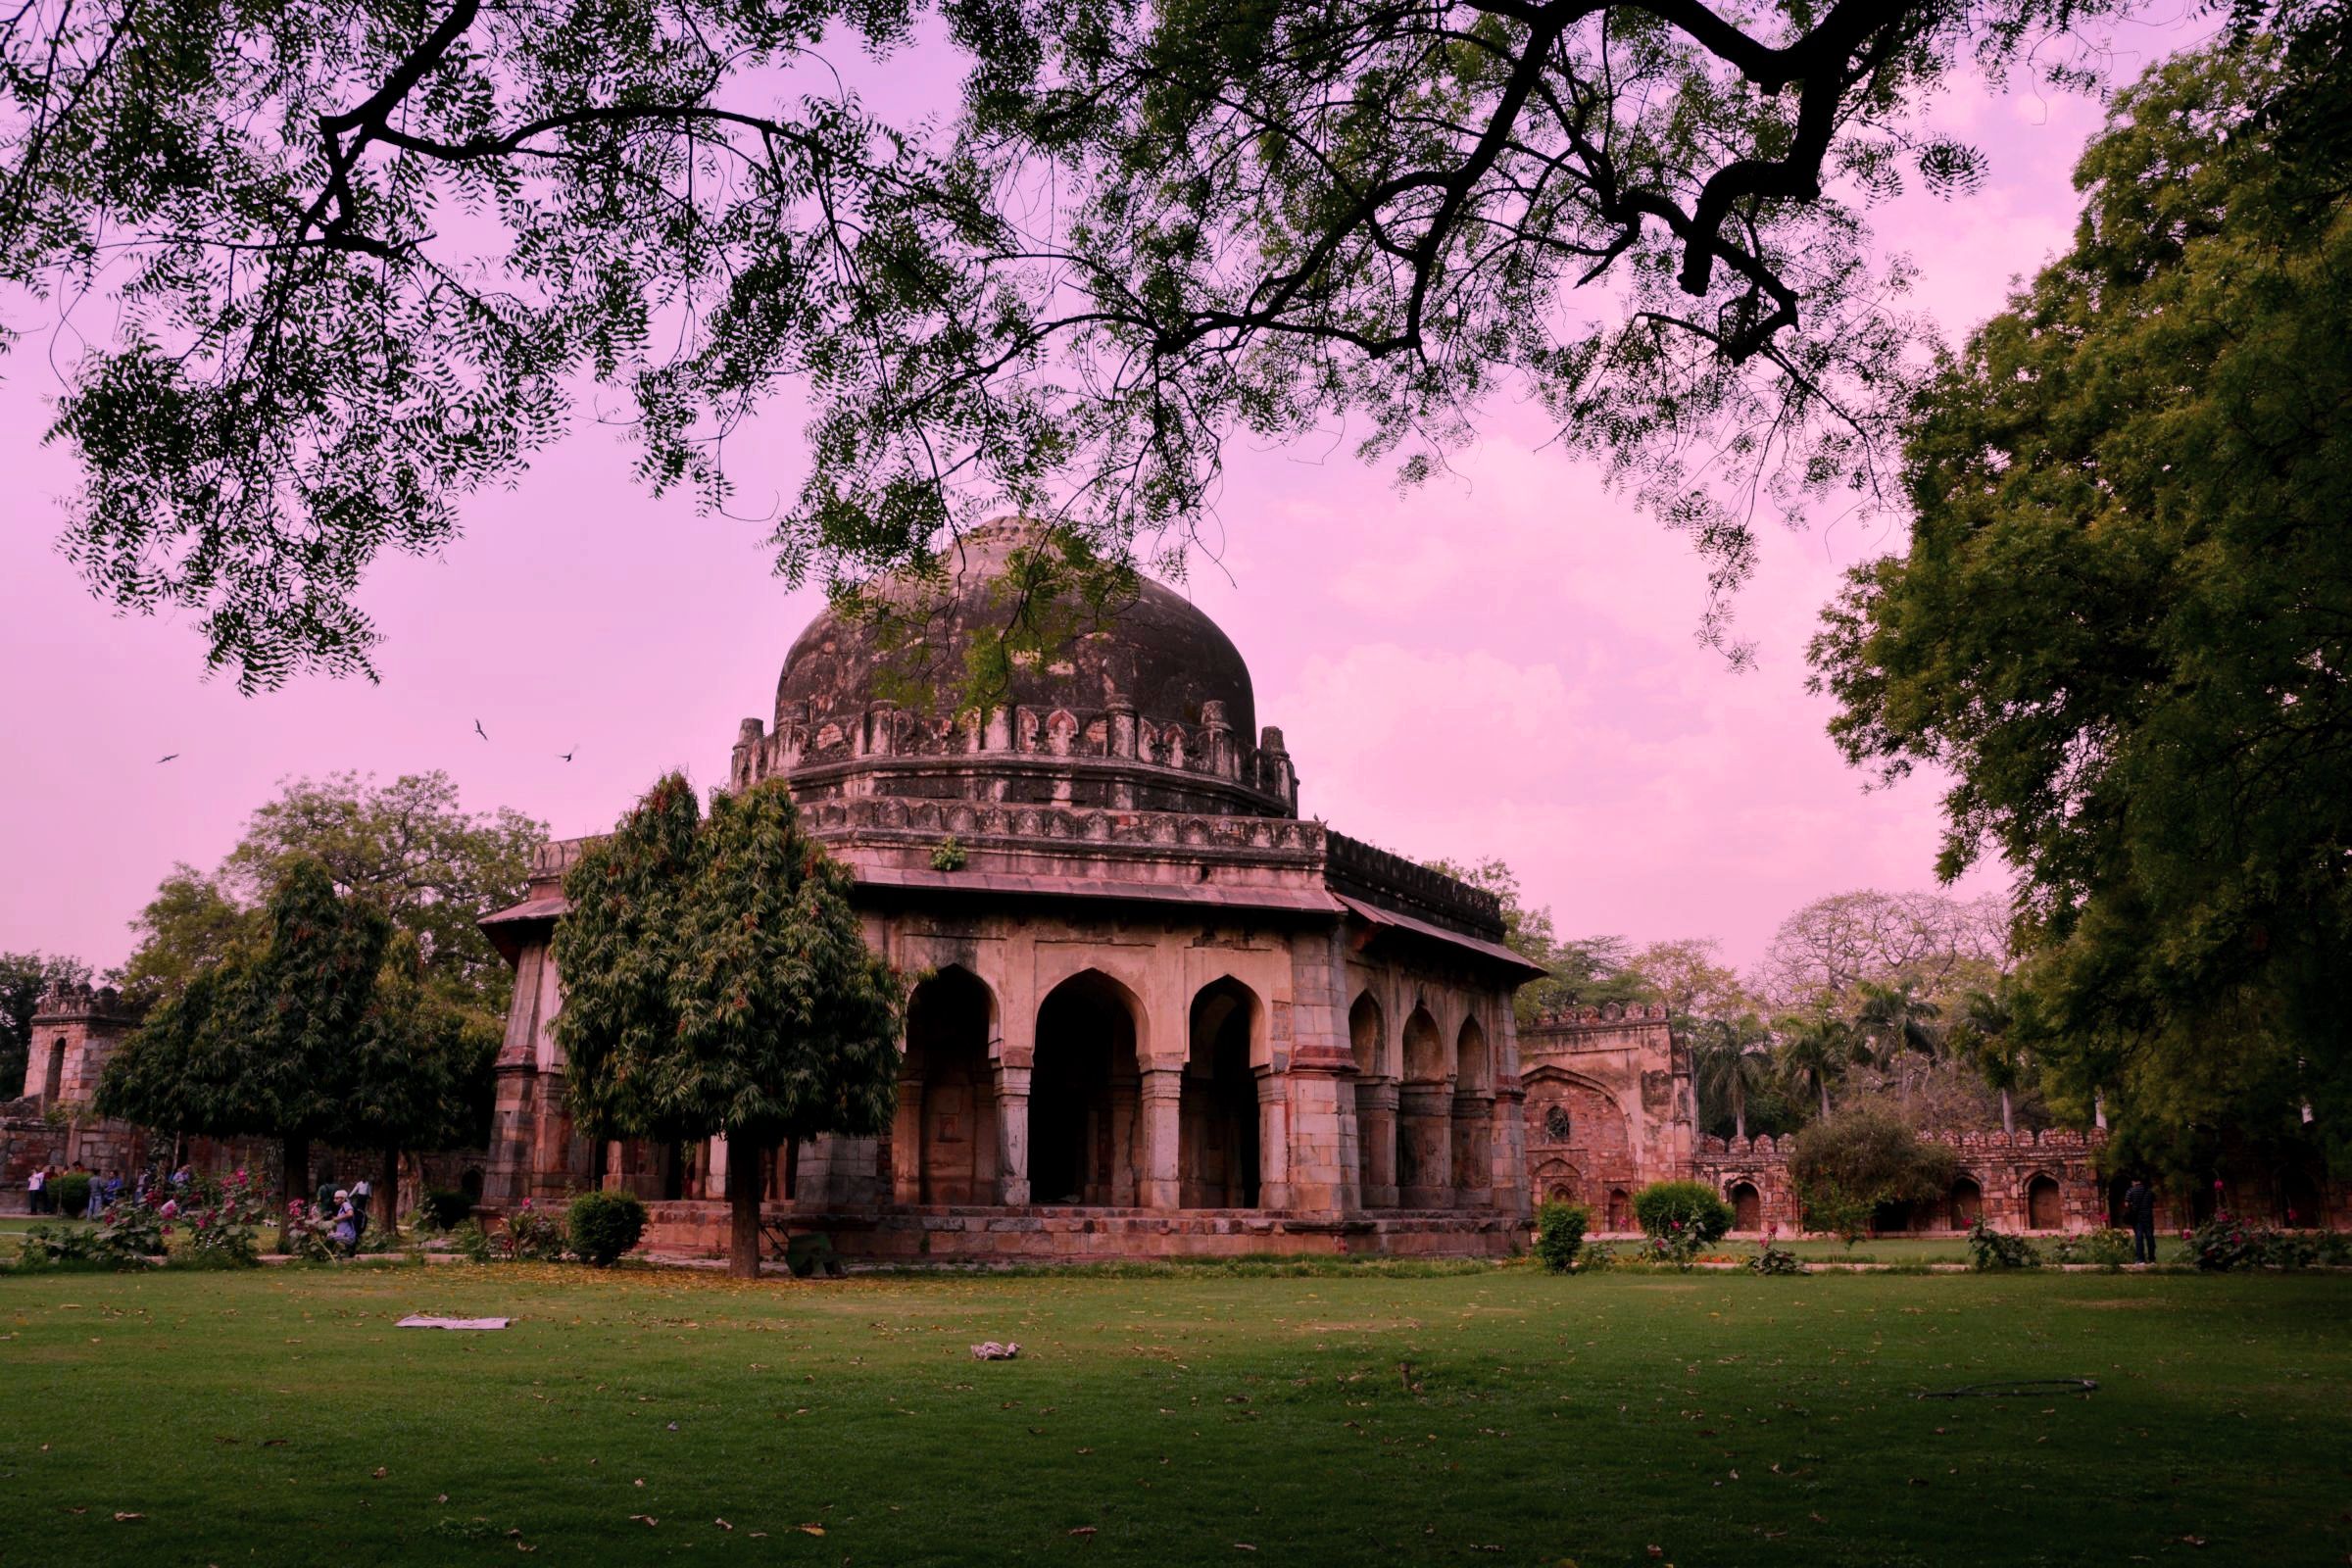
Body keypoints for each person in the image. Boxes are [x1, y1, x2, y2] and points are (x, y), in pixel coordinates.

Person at [2124, 1177, 2158, 1264]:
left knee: (2139, 1238)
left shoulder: (2130, 1191)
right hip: (2148, 1217)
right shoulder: (2150, 1191)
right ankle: (2152, 1259)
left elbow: (2126, 1204)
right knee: (2150, 1237)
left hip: (2137, 1218)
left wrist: (2132, 1204)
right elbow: (2154, 1203)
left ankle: (2140, 1259)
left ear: (2134, 1181)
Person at [329, 1190, 359, 1254]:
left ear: (343, 1199)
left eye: (337, 1198)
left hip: (348, 1237)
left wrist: (337, 1218)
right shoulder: (341, 1209)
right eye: (334, 1198)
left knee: (329, 1236)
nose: (334, 1200)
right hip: (343, 1235)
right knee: (330, 1234)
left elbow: (350, 1214)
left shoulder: (346, 1204)